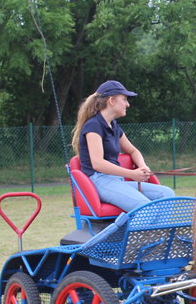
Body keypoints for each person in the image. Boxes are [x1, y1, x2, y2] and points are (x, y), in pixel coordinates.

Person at [71, 80, 174, 212]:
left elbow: (133, 151)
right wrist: (131, 173)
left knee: (167, 194)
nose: (127, 104)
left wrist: (142, 166)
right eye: (124, 99)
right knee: (145, 207)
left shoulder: (114, 126)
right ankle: (133, 226)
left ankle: (147, 227)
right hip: (99, 180)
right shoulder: (93, 125)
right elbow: (98, 164)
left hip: (116, 181)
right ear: (111, 101)